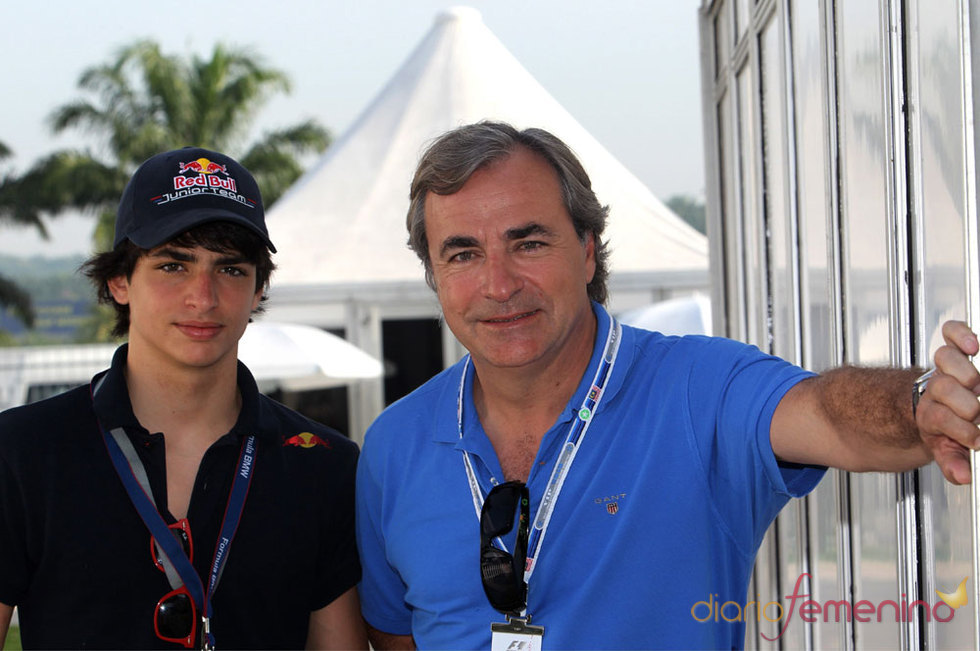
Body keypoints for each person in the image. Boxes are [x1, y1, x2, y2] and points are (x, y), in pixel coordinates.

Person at [354, 121, 980, 650]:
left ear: (588, 250)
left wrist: (920, 404)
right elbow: (394, 638)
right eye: (462, 254)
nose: (498, 283)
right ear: (433, 274)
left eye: (529, 242)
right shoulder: (393, 446)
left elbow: (826, 413)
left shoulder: (695, 390)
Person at [0, 147, 367, 650]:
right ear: (119, 280)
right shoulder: (21, 453)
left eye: (231, 270)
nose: (204, 296)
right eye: (174, 266)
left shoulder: (322, 465)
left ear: (260, 289)